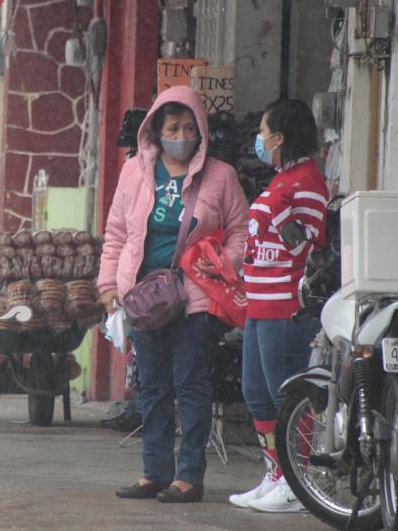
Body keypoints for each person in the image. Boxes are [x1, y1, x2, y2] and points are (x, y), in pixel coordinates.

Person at [98, 85, 248, 503]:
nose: (181, 135)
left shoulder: (221, 176)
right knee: (153, 388)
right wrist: (108, 286)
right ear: (155, 130)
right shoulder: (134, 172)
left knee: (191, 385)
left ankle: (188, 478)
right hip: (146, 298)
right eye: (173, 127)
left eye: (189, 127)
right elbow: (115, 234)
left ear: (201, 130)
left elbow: (241, 232)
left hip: (197, 298)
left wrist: (222, 262)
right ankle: (154, 472)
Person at [229, 100, 328, 512]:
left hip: (286, 306)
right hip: (259, 304)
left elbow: (304, 243)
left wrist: (282, 207)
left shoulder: (307, 181)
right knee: (257, 393)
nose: (259, 140)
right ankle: (276, 472)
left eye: (264, 132)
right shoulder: (282, 177)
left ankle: (297, 480)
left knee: (286, 394)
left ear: (280, 138)